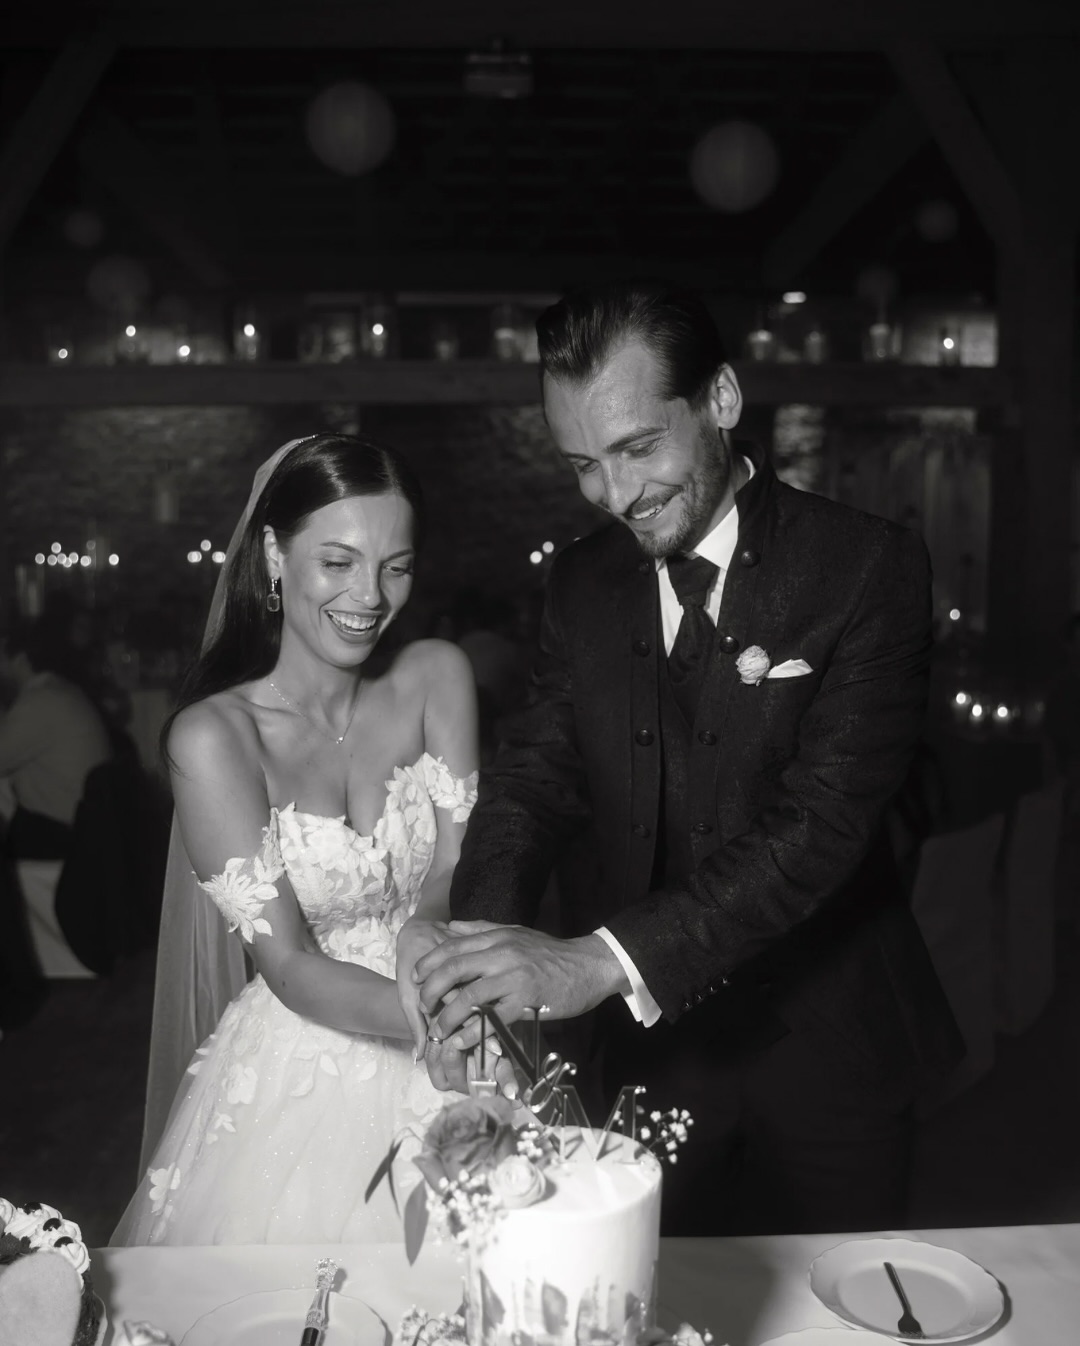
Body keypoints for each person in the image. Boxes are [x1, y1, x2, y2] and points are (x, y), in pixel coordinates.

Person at [413, 281, 964, 1237]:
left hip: (832, 1044)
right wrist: (479, 962)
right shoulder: (582, 582)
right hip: (649, 1059)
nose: (616, 496)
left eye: (637, 448)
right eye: (583, 464)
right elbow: (532, 783)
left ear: (720, 400)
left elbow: (822, 825)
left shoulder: (867, 567)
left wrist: (599, 959)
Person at [111, 433, 487, 1245]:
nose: (372, 595)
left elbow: (459, 861)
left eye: (397, 565)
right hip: (308, 1059)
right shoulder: (215, 738)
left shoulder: (435, 675)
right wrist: (431, 1026)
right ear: (275, 556)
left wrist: (430, 941)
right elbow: (286, 962)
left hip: (454, 997)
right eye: (339, 561)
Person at [0, 616, 112, 1026]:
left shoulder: (38, 703)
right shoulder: (56, 692)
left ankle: (13, 978)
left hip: (65, 831)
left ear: (18, 659)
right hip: (81, 823)